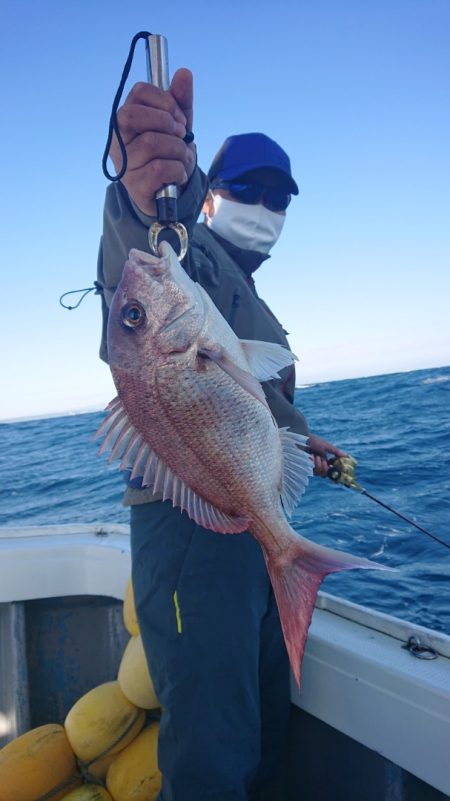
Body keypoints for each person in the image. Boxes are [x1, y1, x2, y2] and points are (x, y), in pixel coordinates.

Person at [97, 69, 346, 801]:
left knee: (264, 726)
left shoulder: (244, 295)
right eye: (246, 190)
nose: (263, 209)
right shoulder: (188, 256)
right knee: (211, 750)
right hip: (192, 537)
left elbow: (244, 401)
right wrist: (142, 187)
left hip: (247, 524)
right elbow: (133, 247)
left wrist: (303, 436)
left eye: (277, 199)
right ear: (207, 193)